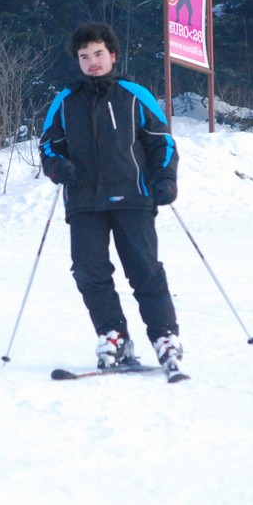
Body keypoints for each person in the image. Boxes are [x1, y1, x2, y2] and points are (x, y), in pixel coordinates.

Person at [39, 22, 183, 370]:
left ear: (113, 55)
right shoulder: (65, 101)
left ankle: (165, 338)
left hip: (133, 196)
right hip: (84, 201)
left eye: (98, 54)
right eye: (84, 56)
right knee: (88, 271)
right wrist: (58, 167)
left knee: (144, 269)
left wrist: (165, 179)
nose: (92, 62)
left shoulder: (134, 94)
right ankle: (114, 335)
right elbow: (48, 146)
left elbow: (161, 141)